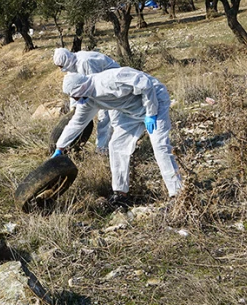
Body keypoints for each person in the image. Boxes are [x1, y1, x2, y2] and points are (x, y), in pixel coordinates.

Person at [54, 67, 183, 205]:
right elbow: (77, 123)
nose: (76, 99)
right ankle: (121, 194)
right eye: (73, 96)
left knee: (160, 146)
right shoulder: (87, 100)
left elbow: (145, 83)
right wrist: (60, 147)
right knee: (116, 145)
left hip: (155, 102)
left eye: (76, 95)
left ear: (82, 87)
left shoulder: (110, 79)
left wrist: (151, 113)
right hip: (130, 113)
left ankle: (177, 195)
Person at [52, 48, 119, 154]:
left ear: (65, 60)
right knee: (83, 118)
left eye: (61, 66)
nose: (61, 69)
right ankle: (103, 147)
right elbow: (74, 88)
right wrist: (74, 108)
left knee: (105, 117)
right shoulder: (71, 65)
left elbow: (94, 84)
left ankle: (103, 149)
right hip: (94, 90)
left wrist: (86, 105)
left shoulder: (85, 62)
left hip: (113, 87)